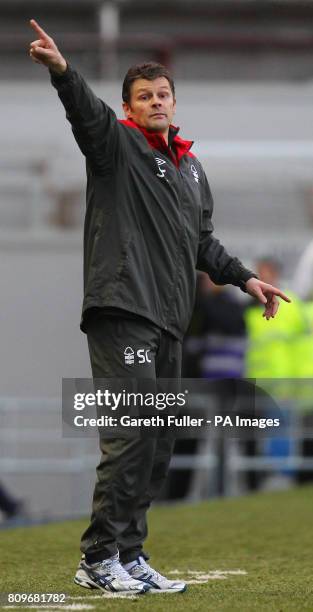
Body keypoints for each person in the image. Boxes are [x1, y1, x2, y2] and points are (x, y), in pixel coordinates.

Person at [28, 19, 291, 595]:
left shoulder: (191, 168)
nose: (155, 102)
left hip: (170, 320)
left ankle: (129, 552)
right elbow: (85, 114)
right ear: (128, 107)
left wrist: (247, 279)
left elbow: (202, 244)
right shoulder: (114, 145)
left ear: (174, 102)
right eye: (144, 96)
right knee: (132, 431)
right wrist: (63, 73)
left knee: (159, 436)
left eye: (162, 94)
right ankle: (98, 558)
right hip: (122, 308)